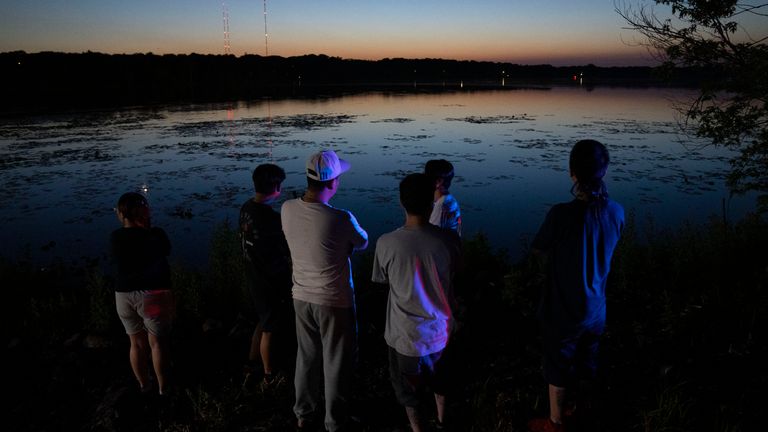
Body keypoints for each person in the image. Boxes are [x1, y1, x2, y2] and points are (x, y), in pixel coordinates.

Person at [527, 140, 625, 432]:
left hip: (564, 309)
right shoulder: (617, 212)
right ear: (604, 170)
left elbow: (538, 249)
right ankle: (582, 410)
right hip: (597, 308)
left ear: (572, 173)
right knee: (587, 360)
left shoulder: (561, 214)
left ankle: (556, 421)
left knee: (557, 364)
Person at [281, 150, 368, 432]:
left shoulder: (287, 209)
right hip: (334, 301)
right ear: (332, 183)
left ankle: (303, 414)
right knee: (336, 360)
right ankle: (334, 421)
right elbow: (363, 242)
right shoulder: (341, 217)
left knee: (306, 356)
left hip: (301, 297)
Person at [371, 173, 462, 432]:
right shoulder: (448, 240)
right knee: (442, 383)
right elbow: (458, 273)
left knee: (407, 391)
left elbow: (381, 281)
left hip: (404, 336)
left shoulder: (387, 243)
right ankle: (443, 421)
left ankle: (417, 427)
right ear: (431, 202)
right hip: (440, 333)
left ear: (401, 203)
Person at [110, 191, 174, 396]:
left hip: (123, 295)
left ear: (122, 214)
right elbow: (165, 251)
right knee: (157, 343)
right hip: (152, 294)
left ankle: (144, 385)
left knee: (135, 343)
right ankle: (163, 388)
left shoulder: (115, 237)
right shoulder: (155, 234)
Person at [239, 163, 293, 388]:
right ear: (276, 186)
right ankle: (269, 375)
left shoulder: (246, 208)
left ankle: (251, 364)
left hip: (254, 277)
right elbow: (285, 248)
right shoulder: (271, 219)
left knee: (262, 321)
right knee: (270, 328)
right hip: (269, 282)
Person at [424, 159, 462, 235]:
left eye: (425, 177)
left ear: (439, 182)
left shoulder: (441, 205)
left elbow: (432, 235)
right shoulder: (448, 200)